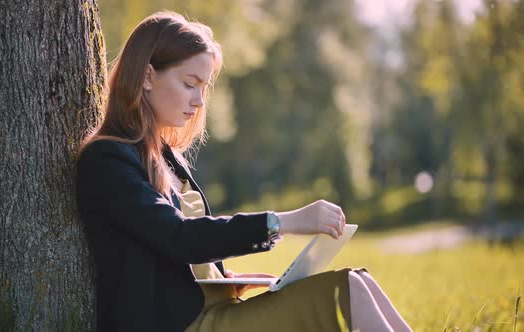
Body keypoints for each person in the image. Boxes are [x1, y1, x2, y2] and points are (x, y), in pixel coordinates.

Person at [76, 10, 412, 332]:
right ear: (148, 76)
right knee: (347, 288)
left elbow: (180, 254)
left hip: (219, 312)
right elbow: (179, 238)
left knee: (359, 279)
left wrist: (226, 280)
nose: (199, 102)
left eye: (204, 87)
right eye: (190, 83)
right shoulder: (107, 160)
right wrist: (285, 221)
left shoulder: (167, 157)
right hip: (185, 327)